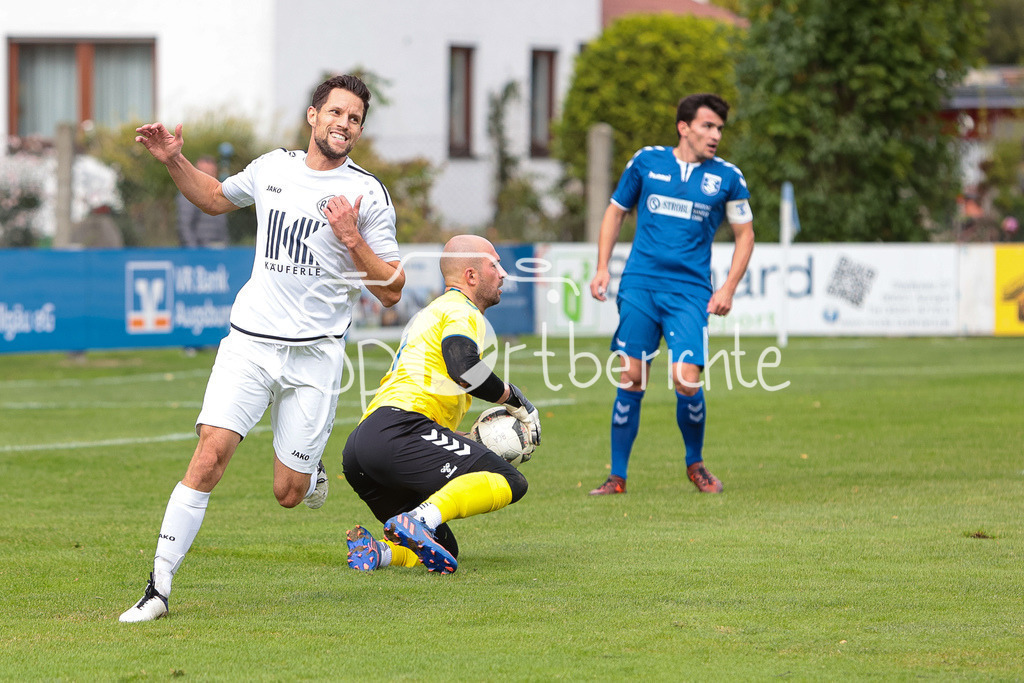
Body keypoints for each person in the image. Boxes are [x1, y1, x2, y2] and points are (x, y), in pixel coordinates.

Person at [119, 74, 406, 622]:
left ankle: (309, 465)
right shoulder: (273, 167)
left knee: (289, 493)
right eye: (337, 113)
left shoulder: (368, 194)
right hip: (249, 343)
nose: (345, 124)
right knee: (209, 456)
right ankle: (157, 588)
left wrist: (353, 239)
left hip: (315, 356)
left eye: (355, 119)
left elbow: (391, 288)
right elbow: (213, 199)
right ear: (313, 116)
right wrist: (174, 160)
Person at [588, 93, 754, 496]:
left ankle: (695, 464)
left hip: (689, 292)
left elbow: (745, 234)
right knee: (631, 377)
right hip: (641, 284)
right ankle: (618, 477)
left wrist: (728, 288)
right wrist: (601, 267)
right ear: (684, 127)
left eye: (719, 128)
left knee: (686, 380)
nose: (715, 135)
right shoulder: (646, 161)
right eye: (707, 126)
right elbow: (615, 211)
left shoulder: (728, 177)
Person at [342, 234, 540, 574]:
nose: (504, 273)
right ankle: (418, 518)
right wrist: (511, 396)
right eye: (495, 264)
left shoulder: (432, 312)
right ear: (471, 276)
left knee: (445, 546)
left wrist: (462, 439)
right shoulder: (461, 310)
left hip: (362, 449)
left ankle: (378, 552)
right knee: (511, 481)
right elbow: (463, 367)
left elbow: (432, 387)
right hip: (399, 430)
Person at [176, 155, 229, 248]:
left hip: (218, 250)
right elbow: (185, 225)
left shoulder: (220, 192)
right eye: (205, 172)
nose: (209, 176)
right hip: (199, 252)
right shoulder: (188, 193)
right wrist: (194, 251)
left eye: (212, 172)